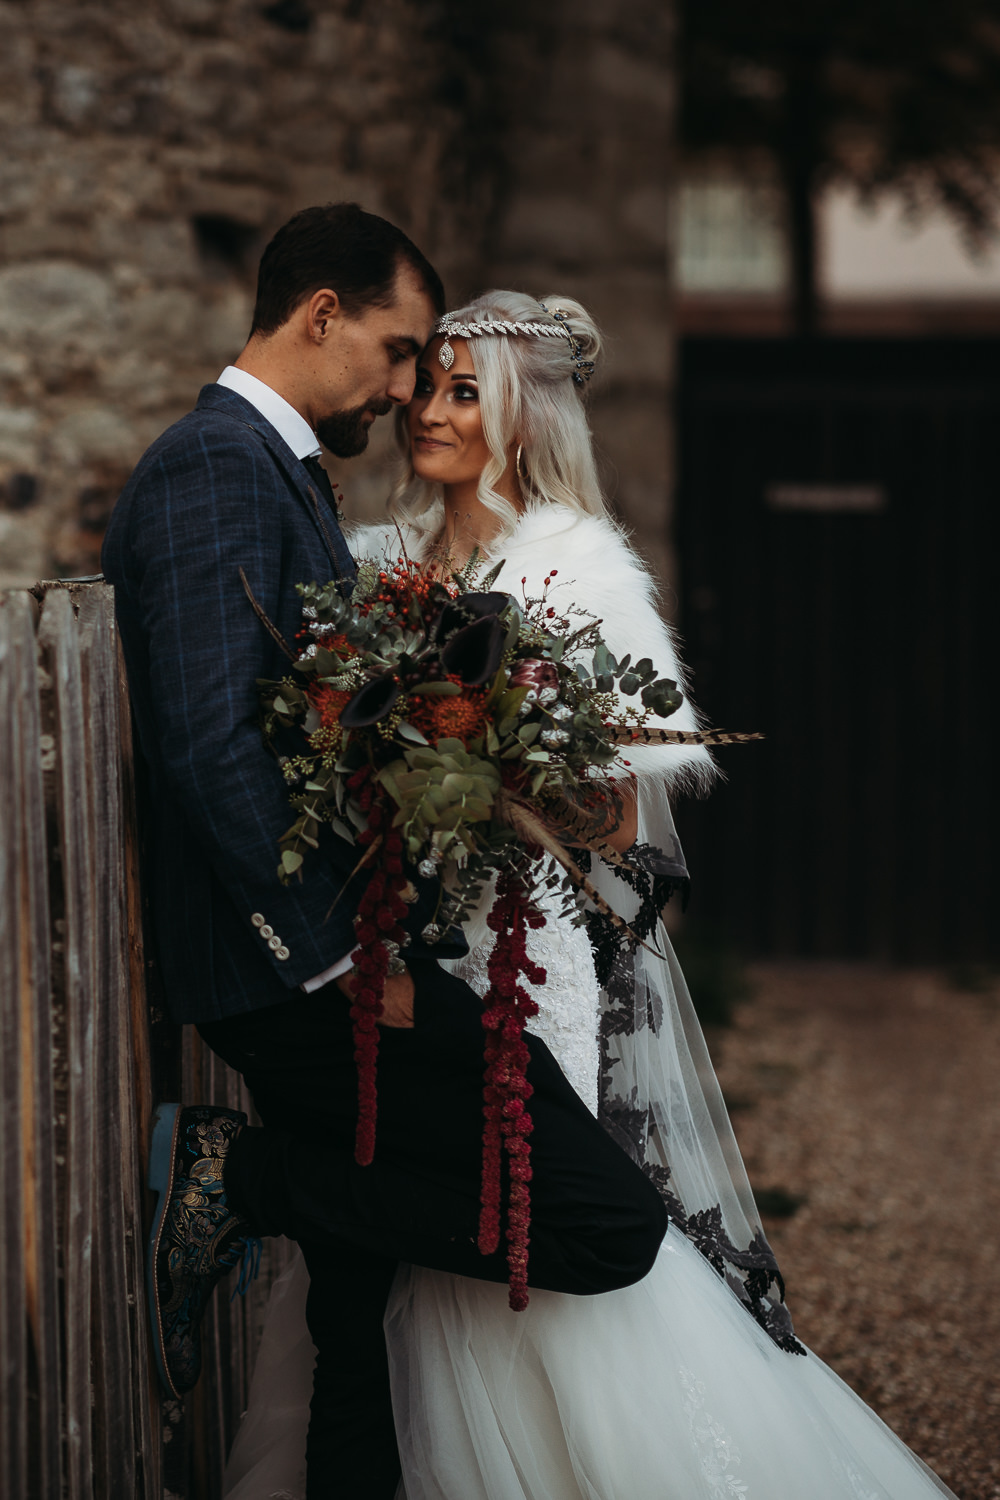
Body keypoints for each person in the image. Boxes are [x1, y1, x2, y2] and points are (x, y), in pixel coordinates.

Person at [223, 291, 958, 1500]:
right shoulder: (378, 560)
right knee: (405, 1204)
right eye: (430, 386)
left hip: (525, 944)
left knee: (528, 1194)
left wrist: (472, 769)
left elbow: (614, 818)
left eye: (465, 392)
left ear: (520, 417)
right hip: (391, 940)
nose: (429, 411)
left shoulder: (576, 564)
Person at [101, 213, 670, 1500]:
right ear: (319, 316)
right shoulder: (219, 468)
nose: (411, 389)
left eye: (442, 373)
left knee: (351, 1327)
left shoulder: (282, 470)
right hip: (314, 970)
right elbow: (204, 745)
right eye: (404, 351)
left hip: (363, 945)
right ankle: (234, 1172)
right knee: (597, 1219)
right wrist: (332, 967)